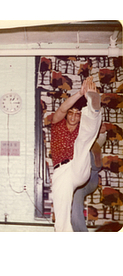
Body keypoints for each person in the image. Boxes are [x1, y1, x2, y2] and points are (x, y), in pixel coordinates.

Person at [50, 76, 102, 232]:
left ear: (80, 116)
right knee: (62, 218)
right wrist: (80, 93)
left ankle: (93, 109)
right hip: (61, 172)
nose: (73, 116)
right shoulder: (57, 126)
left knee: (82, 142)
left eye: (77, 114)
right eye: (70, 113)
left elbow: (90, 136)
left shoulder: (81, 128)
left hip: (78, 166)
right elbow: (61, 109)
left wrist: (88, 99)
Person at [71, 123, 106, 231]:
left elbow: (102, 137)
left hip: (91, 178)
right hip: (80, 182)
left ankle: (95, 164)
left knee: (90, 147)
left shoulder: (93, 139)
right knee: (75, 205)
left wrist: (102, 131)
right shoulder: (72, 139)